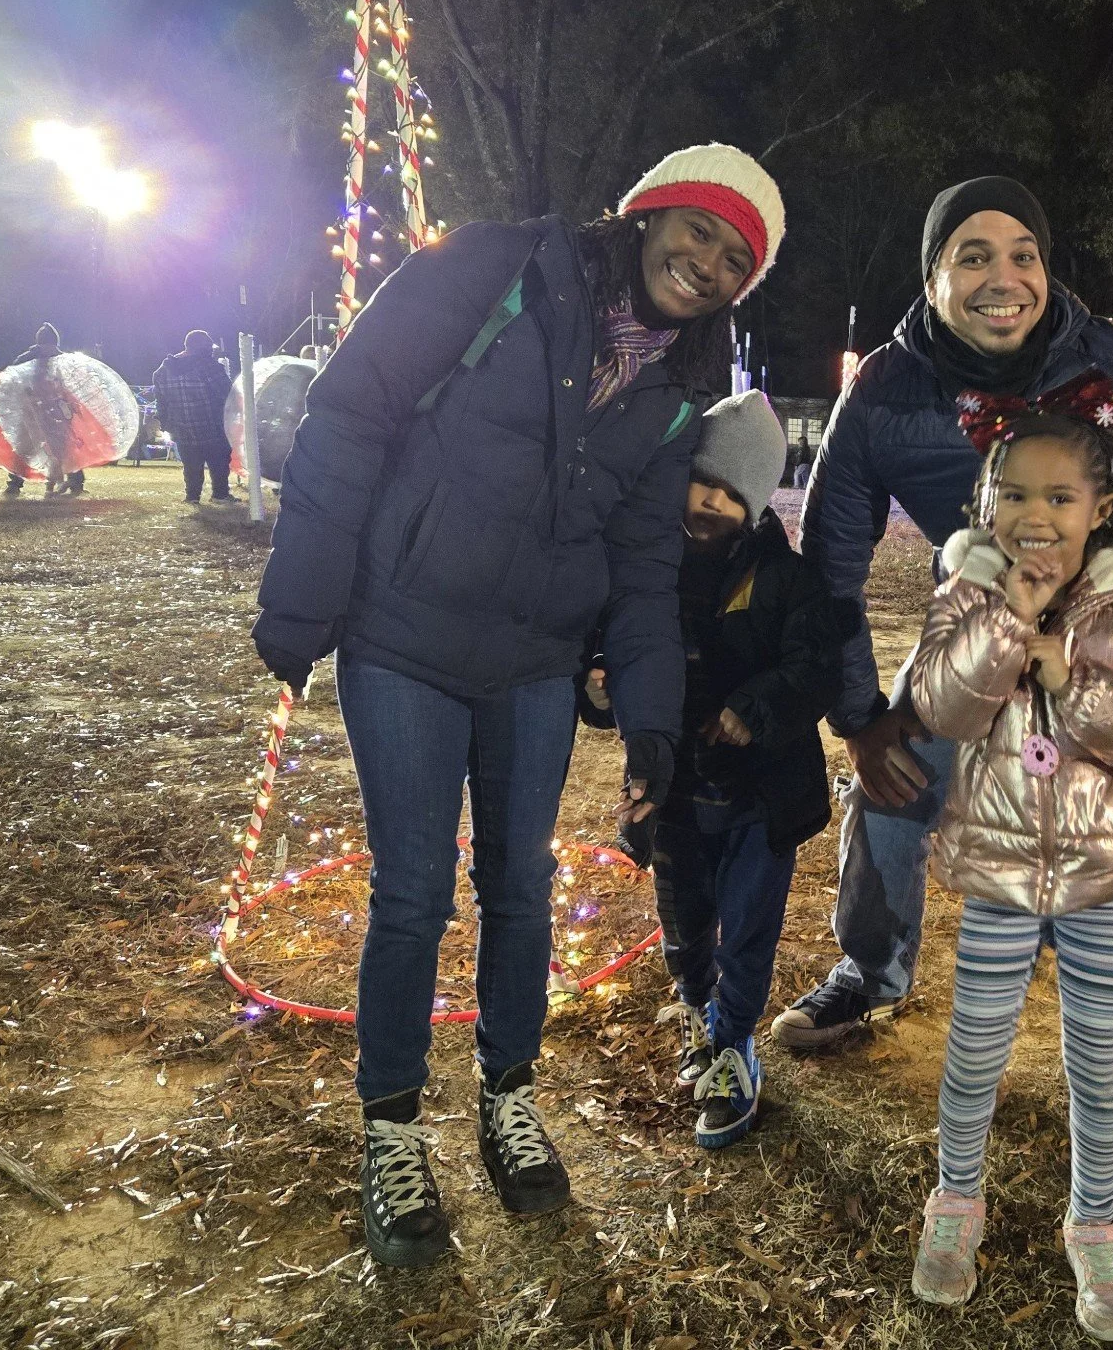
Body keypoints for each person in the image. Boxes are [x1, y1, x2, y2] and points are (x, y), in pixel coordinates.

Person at [252, 143, 785, 1268]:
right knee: (410, 891)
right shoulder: (493, 270)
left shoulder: (677, 386)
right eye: (698, 229)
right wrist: (304, 602)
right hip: (403, 635)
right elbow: (350, 413)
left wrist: (649, 720)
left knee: (521, 887)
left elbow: (642, 566)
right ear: (644, 215)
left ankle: (507, 1096)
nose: (708, 261)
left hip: (536, 661)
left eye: (736, 257)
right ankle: (393, 1127)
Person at [774, 177, 1113, 1049]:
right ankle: (869, 970)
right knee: (892, 783)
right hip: (976, 622)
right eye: (974, 256)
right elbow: (833, 561)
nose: (1006, 276)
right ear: (932, 281)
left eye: (1024, 255)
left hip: (1100, 628)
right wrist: (857, 718)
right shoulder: (883, 393)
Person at [906, 412, 1113, 1342]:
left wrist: (1073, 678)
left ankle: (1095, 1220)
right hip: (998, 870)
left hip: (1104, 877)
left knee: (1099, 1061)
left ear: (1102, 508)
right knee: (976, 1049)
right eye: (1016, 495)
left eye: (1060, 497)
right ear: (988, 504)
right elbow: (940, 707)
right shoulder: (967, 593)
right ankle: (957, 1202)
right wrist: (1010, 622)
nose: (1035, 515)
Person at [582, 390, 841, 1149]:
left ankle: (734, 1043)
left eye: (734, 493)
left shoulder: (786, 581)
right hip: (676, 792)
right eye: (704, 481)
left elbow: (815, 667)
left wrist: (755, 709)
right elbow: (614, 649)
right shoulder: (646, 570)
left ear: (757, 504)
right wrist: (599, 690)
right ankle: (698, 1003)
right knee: (683, 916)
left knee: (748, 925)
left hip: (763, 794)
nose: (712, 501)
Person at [152, 330, 237, 504]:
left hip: (182, 427)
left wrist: (167, 424)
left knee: (191, 464)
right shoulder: (210, 367)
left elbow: (161, 402)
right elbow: (227, 395)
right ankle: (220, 494)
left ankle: (192, 496)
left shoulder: (163, 370)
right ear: (203, 348)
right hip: (212, 425)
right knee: (218, 461)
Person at [2, 323, 83, 498]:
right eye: (48, 347)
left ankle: (76, 483)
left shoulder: (61, 359)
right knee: (24, 447)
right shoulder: (26, 360)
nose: (50, 352)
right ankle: (14, 484)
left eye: (53, 348)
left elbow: (69, 383)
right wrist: (27, 394)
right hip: (30, 411)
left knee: (65, 447)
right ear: (40, 345)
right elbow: (12, 380)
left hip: (55, 410)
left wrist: (68, 403)